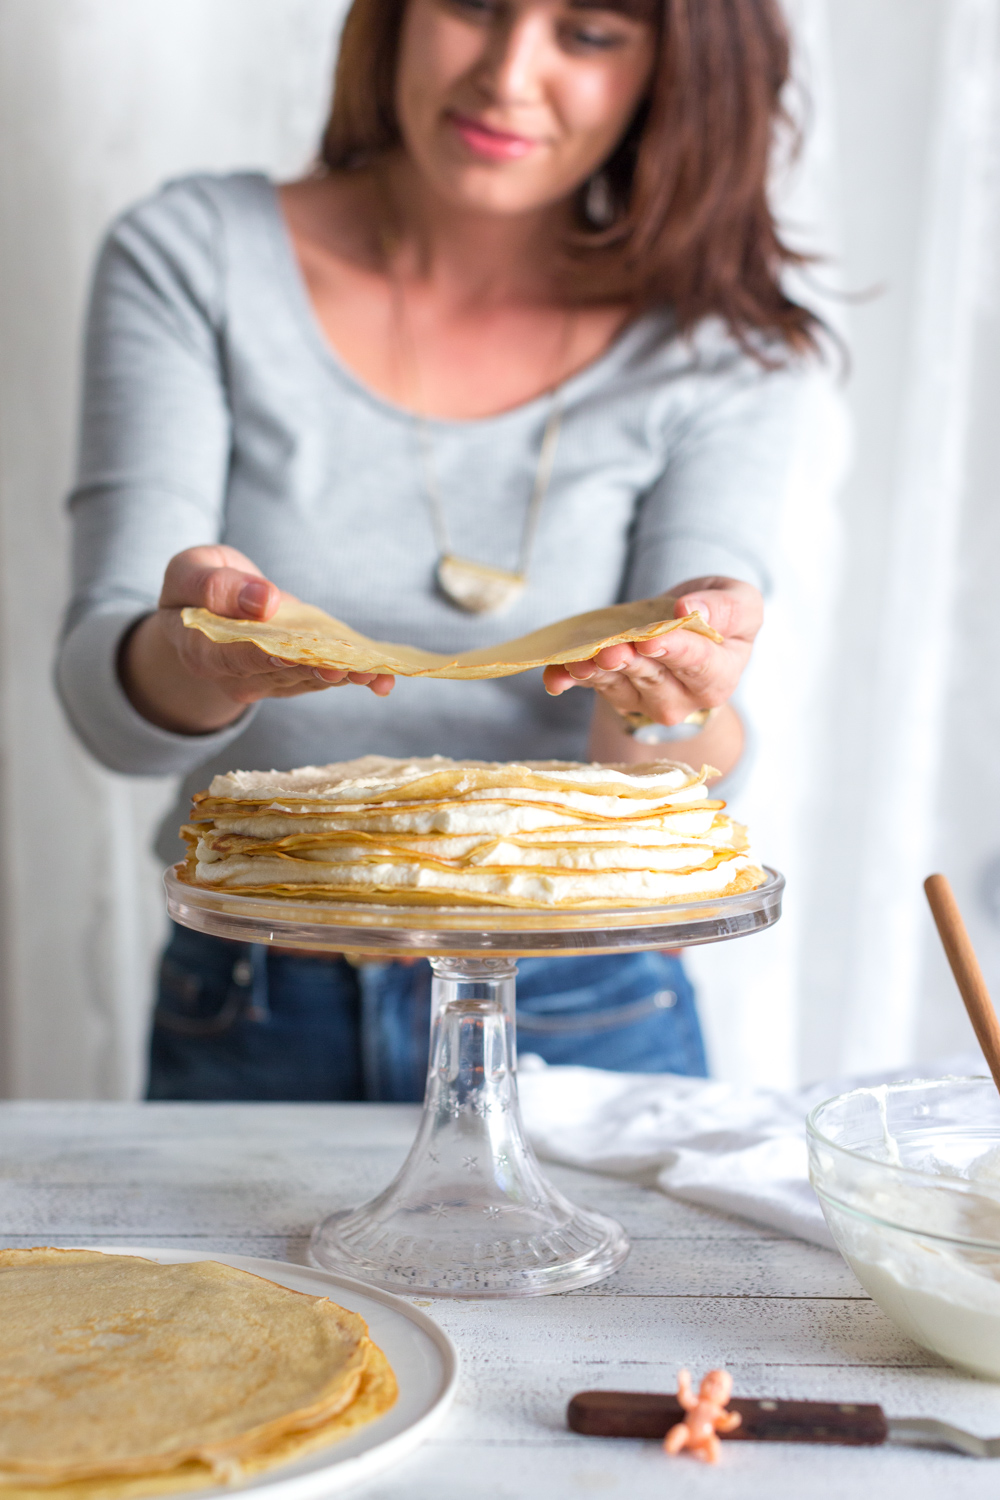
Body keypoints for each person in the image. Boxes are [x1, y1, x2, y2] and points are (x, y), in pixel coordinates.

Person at [57, 0, 823, 1102]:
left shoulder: (719, 341)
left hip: (591, 1002)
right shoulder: (195, 257)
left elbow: (681, 780)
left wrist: (672, 693)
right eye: (472, 4)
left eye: (588, 34)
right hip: (257, 1003)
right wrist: (195, 657)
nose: (508, 75)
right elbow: (107, 718)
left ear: (677, 66)